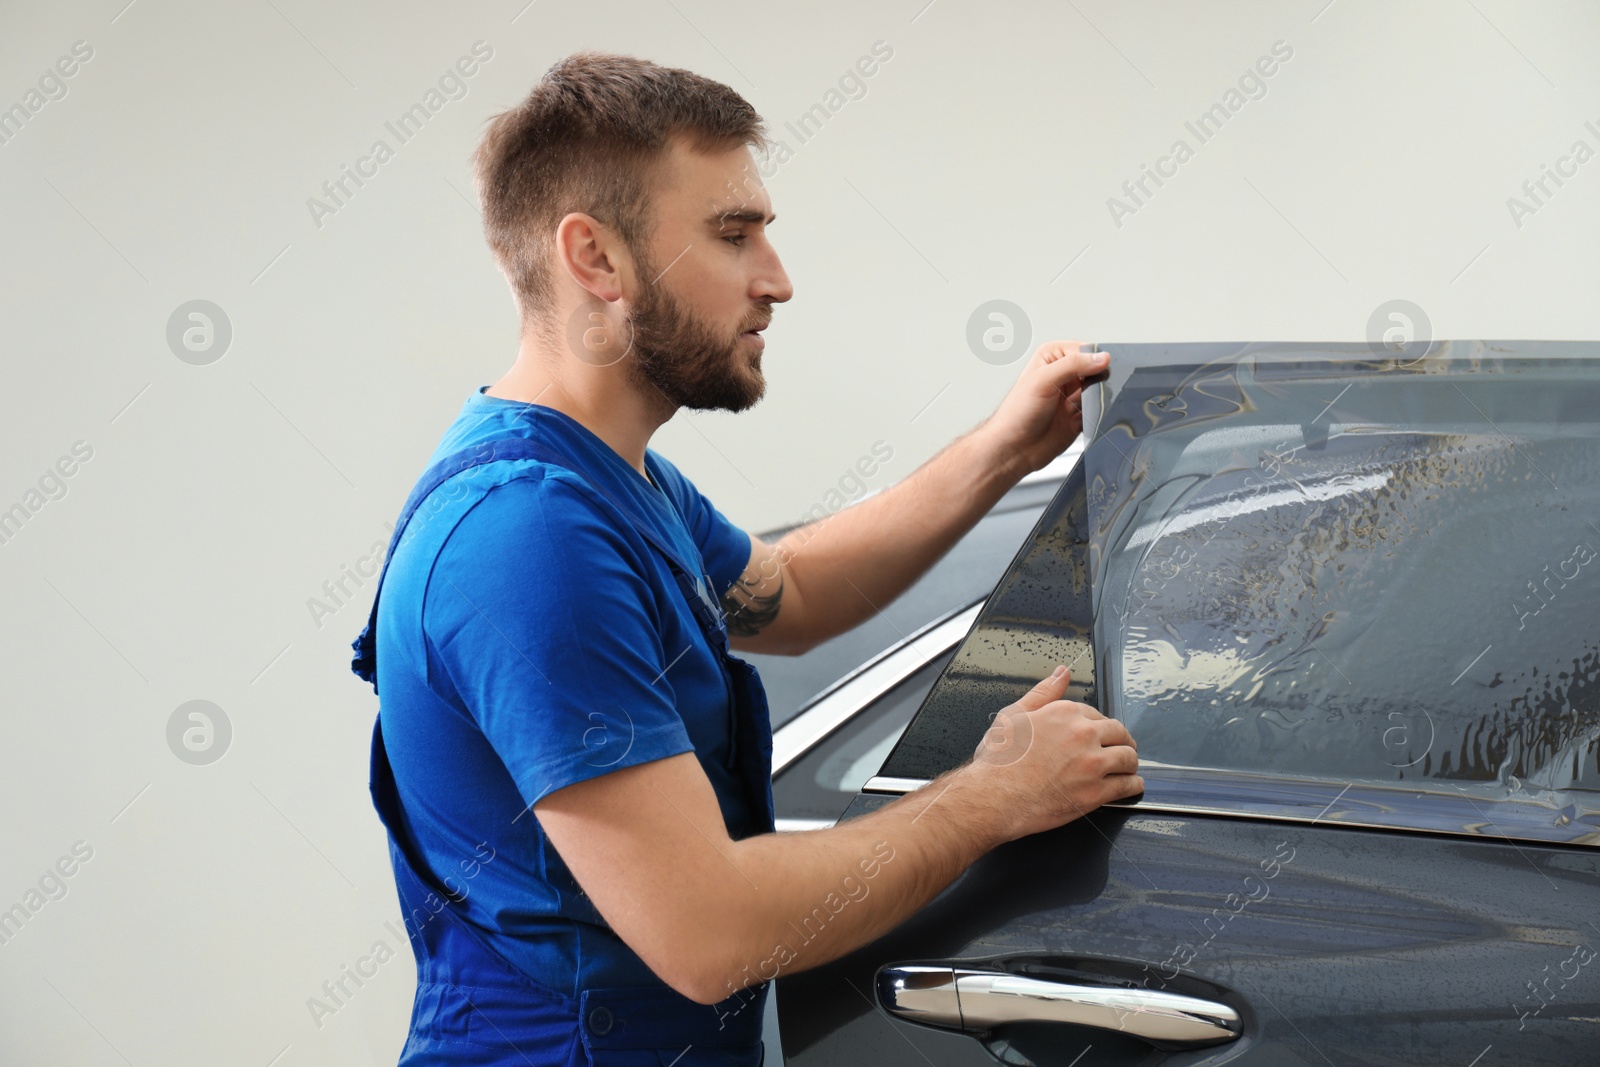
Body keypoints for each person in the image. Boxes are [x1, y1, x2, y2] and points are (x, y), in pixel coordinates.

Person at [350, 49, 1142, 1067]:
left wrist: (1002, 450)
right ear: (595, 258)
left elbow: (795, 591)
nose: (777, 280)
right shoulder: (526, 539)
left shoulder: (616, 483)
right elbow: (709, 932)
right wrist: (990, 795)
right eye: (733, 234)